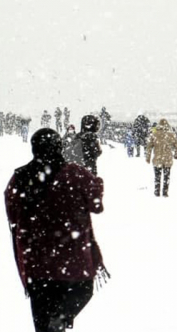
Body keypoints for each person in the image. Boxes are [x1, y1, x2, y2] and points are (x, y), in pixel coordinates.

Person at [5, 129, 109, 332]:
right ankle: (61, 318)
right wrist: (97, 183)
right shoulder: (76, 174)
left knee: (42, 319)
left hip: (35, 260)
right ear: (59, 147)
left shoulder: (18, 178)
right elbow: (97, 205)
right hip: (74, 261)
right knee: (82, 293)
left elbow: (12, 215)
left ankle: (55, 323)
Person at [146, 119, 177, 197]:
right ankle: (165, 192)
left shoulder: (154, 134)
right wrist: (176, 154)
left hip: (157, 159)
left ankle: (157, 192)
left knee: (157, 177)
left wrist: (148, 157)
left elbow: (149, 147)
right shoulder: (171, 134)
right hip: (168, 159)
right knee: (166, 177)